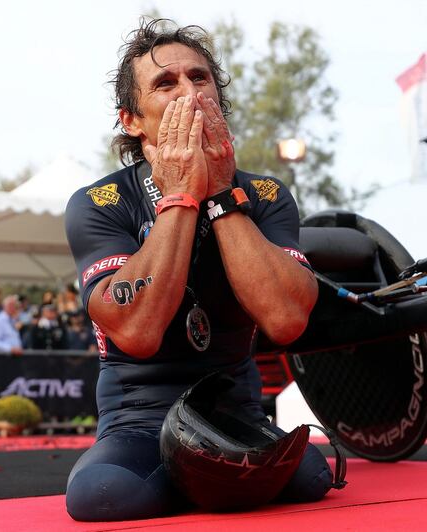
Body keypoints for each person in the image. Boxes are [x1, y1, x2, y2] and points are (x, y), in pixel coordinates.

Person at [63, 19, 331, 521]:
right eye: (165, 84)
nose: (187, 91)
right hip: (140, 419)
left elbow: (287, 320)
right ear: (132, 120)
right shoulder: (99, 203)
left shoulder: (266, 195)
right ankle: (204, 479)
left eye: (199, 78)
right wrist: (181, 196)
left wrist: (222, 198)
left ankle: (202, 478)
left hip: (235, 411)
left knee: (311, 476)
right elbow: (137, 331)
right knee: (102, 495)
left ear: (219, 98)